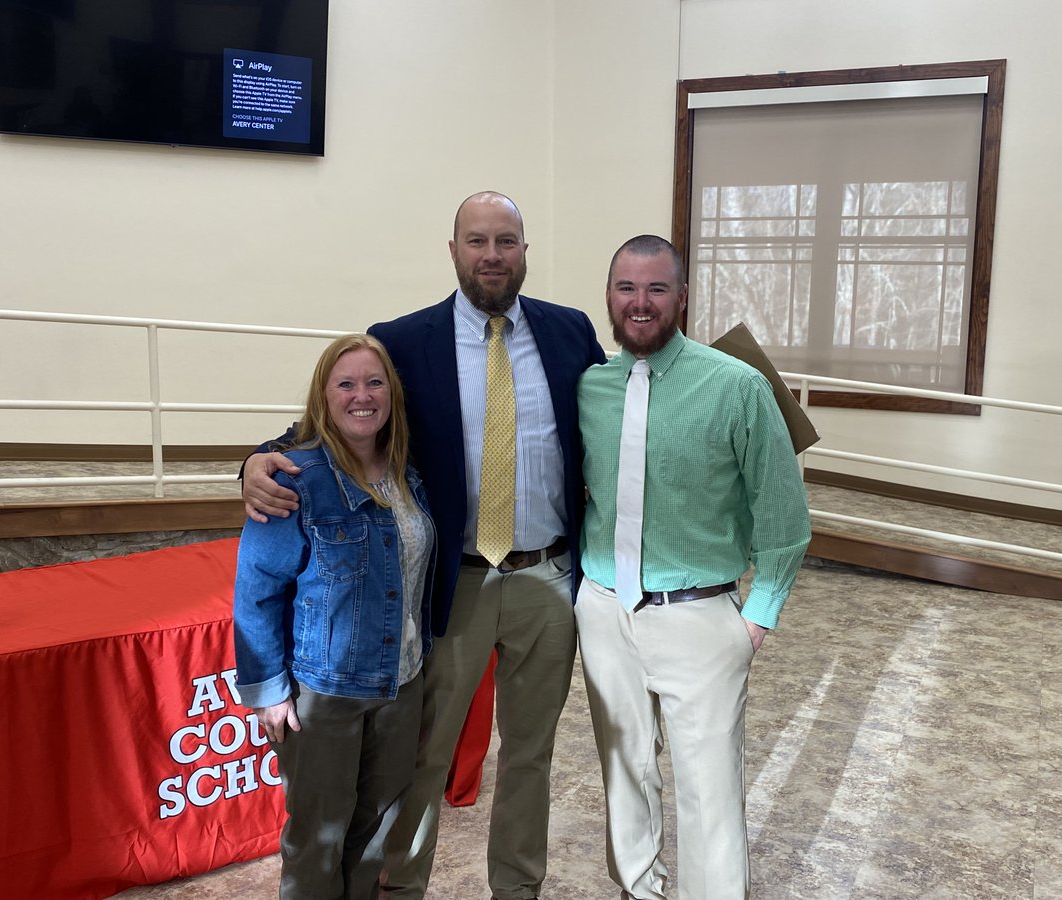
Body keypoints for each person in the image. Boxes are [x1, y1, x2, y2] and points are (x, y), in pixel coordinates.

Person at [242, 191, 607, 900]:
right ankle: (401, 889)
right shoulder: (404, 341)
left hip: (549, 578)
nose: (493, 255)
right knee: (424, 758)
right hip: (456, 583)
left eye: (507, 240)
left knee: (530, 756)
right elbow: (332, 417)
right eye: (477, 241)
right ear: (453, 251)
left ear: (526, 250)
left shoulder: (570, 333)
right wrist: (255, 461)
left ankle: (517, 890)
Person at [575, 235, 811, 900]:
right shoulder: (590, 388)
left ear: (682, 296)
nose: (640, 303)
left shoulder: (737, 386)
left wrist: (757, 616)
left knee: (709, 793)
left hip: (700, 617)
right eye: (626, 288)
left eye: (656, 288)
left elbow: (784, 518)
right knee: (626, 777)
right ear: (609, 298)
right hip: (603, 608)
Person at [233, 334, 436, 900]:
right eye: (345, 383)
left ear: (391, 394)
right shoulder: (295, 479)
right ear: (323, 397)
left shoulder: (408, 474)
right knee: (317, 843)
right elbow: (257, 591)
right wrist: (270, 691)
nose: (362, 395)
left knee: (374, 838)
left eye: (374, 382)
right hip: (325, 694)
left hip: (402, 681)